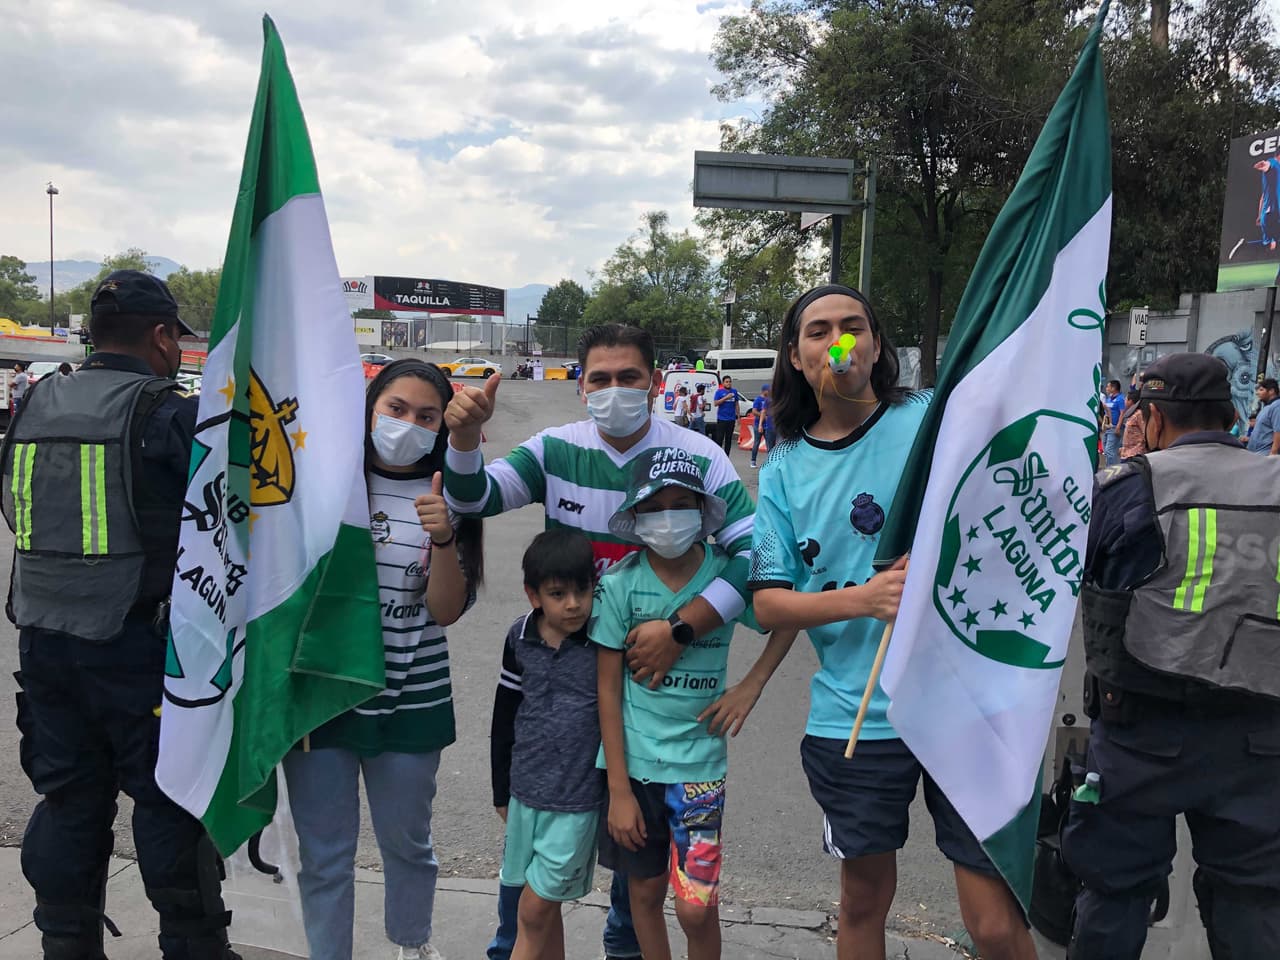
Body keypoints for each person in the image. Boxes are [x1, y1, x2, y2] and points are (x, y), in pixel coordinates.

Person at [442, 323, 757, 960]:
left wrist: (683, 628)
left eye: (630, 378)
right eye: (601, 379)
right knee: (538, 851)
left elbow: (756, 560)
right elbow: (471, 497)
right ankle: (513, 944)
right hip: (570, 671)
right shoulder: (555, 448)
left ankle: (624, 950)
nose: (615, 390)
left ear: (655, 382)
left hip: (646, 686)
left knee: (632, 874)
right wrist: (466, 437)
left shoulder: (700, 456)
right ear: (581, 385)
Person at [748, 284, 1036, 960]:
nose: (837, 340)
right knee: (861, 900)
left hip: (968, 705)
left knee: (994, 924)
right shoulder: (784, 468)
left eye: (853, 326)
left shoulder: (934, 416)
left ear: (878, 346)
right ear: (794, 355)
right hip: (854, 719)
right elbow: (768, 602)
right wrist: (863, 600)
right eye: (818, 331)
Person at [1, 270, 241, 959]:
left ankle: (65, 945)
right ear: (163, 336)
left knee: (69, 806)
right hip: (140, 652)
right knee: (169, 809)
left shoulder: (35, 402)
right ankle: (195, 946)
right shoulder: (167, 411)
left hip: (45, 649)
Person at [1063, 353, 1280, 958]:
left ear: (1153, 417)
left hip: (1142, 736)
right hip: (1261, 737)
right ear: (1234, 414)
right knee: (1255, 904)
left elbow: (1074, 576)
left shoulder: (1128, 488)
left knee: (1113, 893)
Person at [283, 359, 483, 960]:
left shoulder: (452, 489)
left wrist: (445, 535)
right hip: (322, 697)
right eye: (396, 409)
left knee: (408, 845)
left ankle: (411, 943)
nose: (409, 425)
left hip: (411, 699)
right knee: (324, 855)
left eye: (427, 417)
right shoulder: (322, 482)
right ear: (370, 406)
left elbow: (446, 610)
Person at [594, 447, 794, 960]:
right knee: (642, 892)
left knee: (696, 907)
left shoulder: (727, 579)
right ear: (635, 518)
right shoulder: (618, 586)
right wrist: (617, 789)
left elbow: (787, 613)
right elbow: (608, 688)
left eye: (683, 503)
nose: (669, 517)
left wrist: (752, 684)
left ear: (704, 513)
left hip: (701, 771)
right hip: (634, 773)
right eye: (655, 506)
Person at [490, 529, 601, 960]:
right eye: (558, 594)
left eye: (581, 591)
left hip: (577, 801)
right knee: (543, 914)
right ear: (533, 595)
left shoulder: (603, 639)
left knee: (534, 911)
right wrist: (502, 789)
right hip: (525, 795)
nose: (573, 604)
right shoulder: (519, 637)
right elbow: (504, 718)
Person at [1246, 376, 1279, 454]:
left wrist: (1273, 454)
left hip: (1265, 455)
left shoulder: (1277, 406)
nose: (1257, 393)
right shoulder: (1267, 407)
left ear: (1271, 391)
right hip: (1256, 454)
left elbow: (1278, 431)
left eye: (1261, 390)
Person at [711, 375, 743, 456]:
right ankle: (718, 457)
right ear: (723, 383)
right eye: (727, 382)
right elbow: (715, 403)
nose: (728, 383)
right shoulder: (719, 392)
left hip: (731, 419)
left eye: (730, 382)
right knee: (719, 439)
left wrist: (738, 417)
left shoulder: (734, 391)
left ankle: (726, 458)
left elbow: (736, 404)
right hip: (722, 419)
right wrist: (726, 398)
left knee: (728, 440)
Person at [1118, 387, 1147, 460]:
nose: (1124, 401)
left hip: (1135, 455)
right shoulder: (1132, 414)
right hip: (1127, 454)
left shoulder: (1139, 414)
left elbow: (1145, 433)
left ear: (1130, 401)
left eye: (1126, 399)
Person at [1101, 379, 1125, 466]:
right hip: (1107, 427)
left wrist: (1118, 427)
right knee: (1106, 450)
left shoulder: (1120, 399)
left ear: (1114, 388)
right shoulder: (1108, 399)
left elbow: (1122, 413)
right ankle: (1111, 466)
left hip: (1114, 427)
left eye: (1108, 386)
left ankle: (1110, 471)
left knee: (1109, 450)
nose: (1106, 388)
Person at [750, 383, 773, 468]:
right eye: (768, 390)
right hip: (758, 424)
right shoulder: (758, 400)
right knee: (756, 442)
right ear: (764, 391)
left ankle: (769, 461)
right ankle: (753, 460)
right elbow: (754, 411)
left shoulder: (770, 399)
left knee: (769, 444)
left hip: (768, 426)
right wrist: (763, 417)